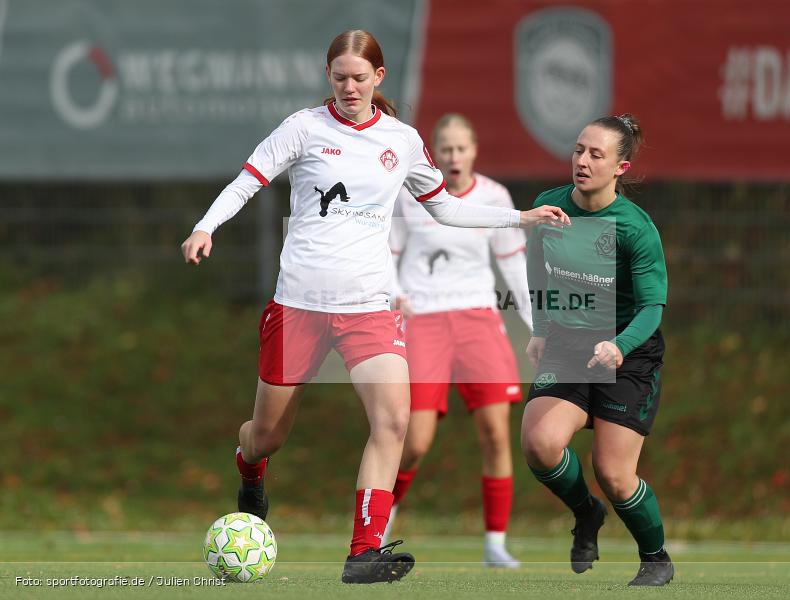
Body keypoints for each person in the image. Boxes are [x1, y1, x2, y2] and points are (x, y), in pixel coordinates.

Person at [180, 30, 568, 585]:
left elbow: (446, 209)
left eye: (359, 78)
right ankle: (250, 468)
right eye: (339, 77)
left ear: (378, 78)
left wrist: (520, 217)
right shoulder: (303, 127)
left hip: (369, 309)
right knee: (266, 435)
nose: (349, 88)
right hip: (299, 306)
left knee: (393, 421)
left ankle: (363, 552)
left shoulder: (401, 141)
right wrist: (205, 227)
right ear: (328, 76)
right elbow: (248, 182)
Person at [520, 114, 674, 586]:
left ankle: (656, 559)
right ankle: (587, 512)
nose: (582, 161)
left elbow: (652, 307)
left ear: (620, 168)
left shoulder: (635, 228)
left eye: (595, 155)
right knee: (539, 444)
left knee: (614, 473)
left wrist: (620, 346)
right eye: (578, 150)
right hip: (568, 343)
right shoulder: (548, 208)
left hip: (628, 352)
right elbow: (537, 271)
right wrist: (540, 328)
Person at [385, 114, 531, 567]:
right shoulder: (409, 194)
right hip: (423, 319)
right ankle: (380, 522)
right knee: (414, 441)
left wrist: (536, 324)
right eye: (445, 149)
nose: (453, 156)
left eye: (461, 148)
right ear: (434, 152)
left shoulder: (494, 197)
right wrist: (395, 293)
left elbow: (513, 265)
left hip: (478, 319)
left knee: (496, 434)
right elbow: (385, 252)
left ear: (473, 151)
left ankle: (495, 545)